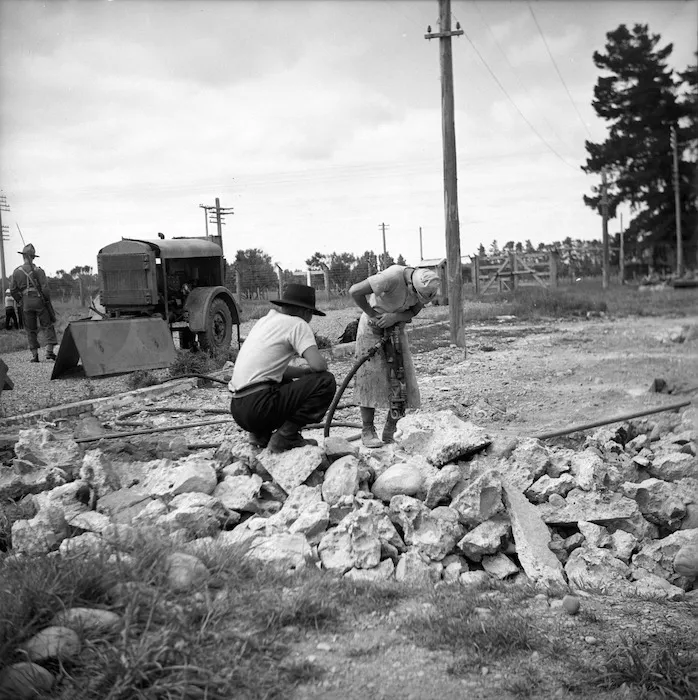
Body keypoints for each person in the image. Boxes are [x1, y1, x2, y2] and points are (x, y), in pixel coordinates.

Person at [228, 283, 336, 453]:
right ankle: (286, 437)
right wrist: (314, 369)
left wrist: (303, 373)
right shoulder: (298, 324)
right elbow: (318, 366)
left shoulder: (264, 322)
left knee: (282, 379)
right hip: (260, 407)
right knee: (326, 381)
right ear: (306, 312)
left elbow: (270, 371)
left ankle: (259, 436)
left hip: (239, 408)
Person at [349, 265, 441, 447]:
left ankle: (392, 427)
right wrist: (373, 314)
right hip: (372, 327)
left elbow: (414, 310)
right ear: (411, 285)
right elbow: (355, 291)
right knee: (370, 376)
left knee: (401, 377)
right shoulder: (390, 277)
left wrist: (396, 317)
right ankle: (367, 429)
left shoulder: (424, 284)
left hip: (395, 326)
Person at [10, 243, 58, 362]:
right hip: (39, 301)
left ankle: (35, 355)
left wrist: (20, 300)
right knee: (47, 325)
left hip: (26, 302)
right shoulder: (39, 271)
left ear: (23, 256)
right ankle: (49, 351)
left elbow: (13, 290)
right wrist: (47, 301)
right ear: (33, 257)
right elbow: (45, 289)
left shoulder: (17, 272)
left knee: (30, 329)